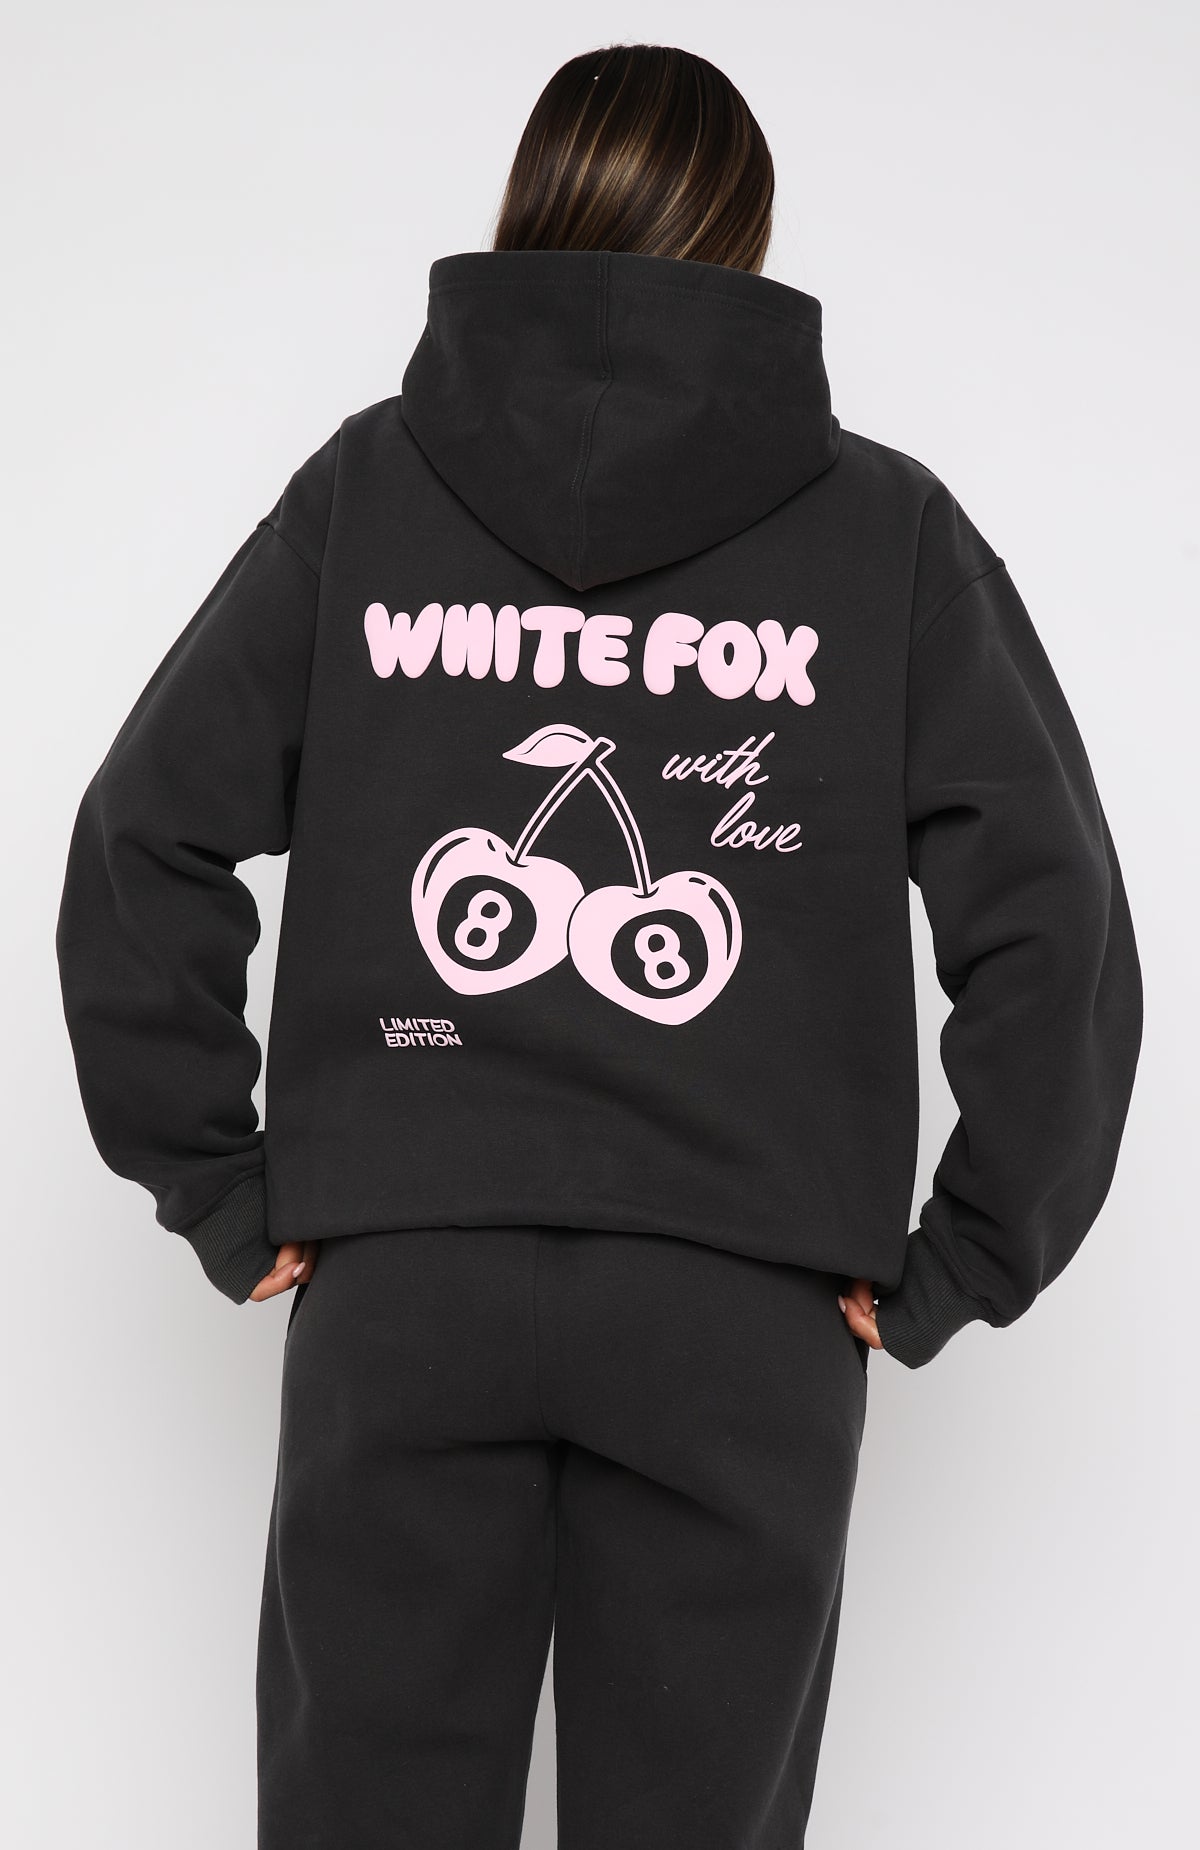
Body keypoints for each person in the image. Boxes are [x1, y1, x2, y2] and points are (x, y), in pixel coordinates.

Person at [55, 40, 1143, 1850]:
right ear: (745, 238)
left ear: (527, 210)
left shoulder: (366, 494)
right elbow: (1056, 924)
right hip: (740, 1309)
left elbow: (141, 835)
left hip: (409, 1281)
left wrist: (222, 1184)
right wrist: (965, 1254)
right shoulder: (889, 536)